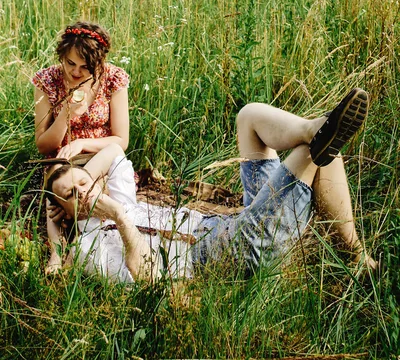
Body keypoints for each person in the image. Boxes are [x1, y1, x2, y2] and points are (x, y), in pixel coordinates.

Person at [45, 88, 376, 283]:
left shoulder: (121, 195)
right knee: (315, 151)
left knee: (249, 117)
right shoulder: (90, 248)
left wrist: (80, 153)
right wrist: (109, 219)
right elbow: (145, 277)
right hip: (232, 251)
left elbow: (115, 151)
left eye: (85, 182)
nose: (84, 193)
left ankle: (312, 127)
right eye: (71, 195)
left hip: (234, 222)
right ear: (62, 210)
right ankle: (357, 255)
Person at [32, 21, 129, 273]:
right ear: (62, 56)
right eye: (70, 63)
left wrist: (83, 143)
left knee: (87, 193)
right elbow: (43, 145)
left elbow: (121, 140)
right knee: (58, 186)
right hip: (62, 159)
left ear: (100, 63)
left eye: (86, 68)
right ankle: (56, 252)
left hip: (100, 154)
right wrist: (65, 114)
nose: (76, 72)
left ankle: (91, 244)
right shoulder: (48, 80)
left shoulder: (113, 79)